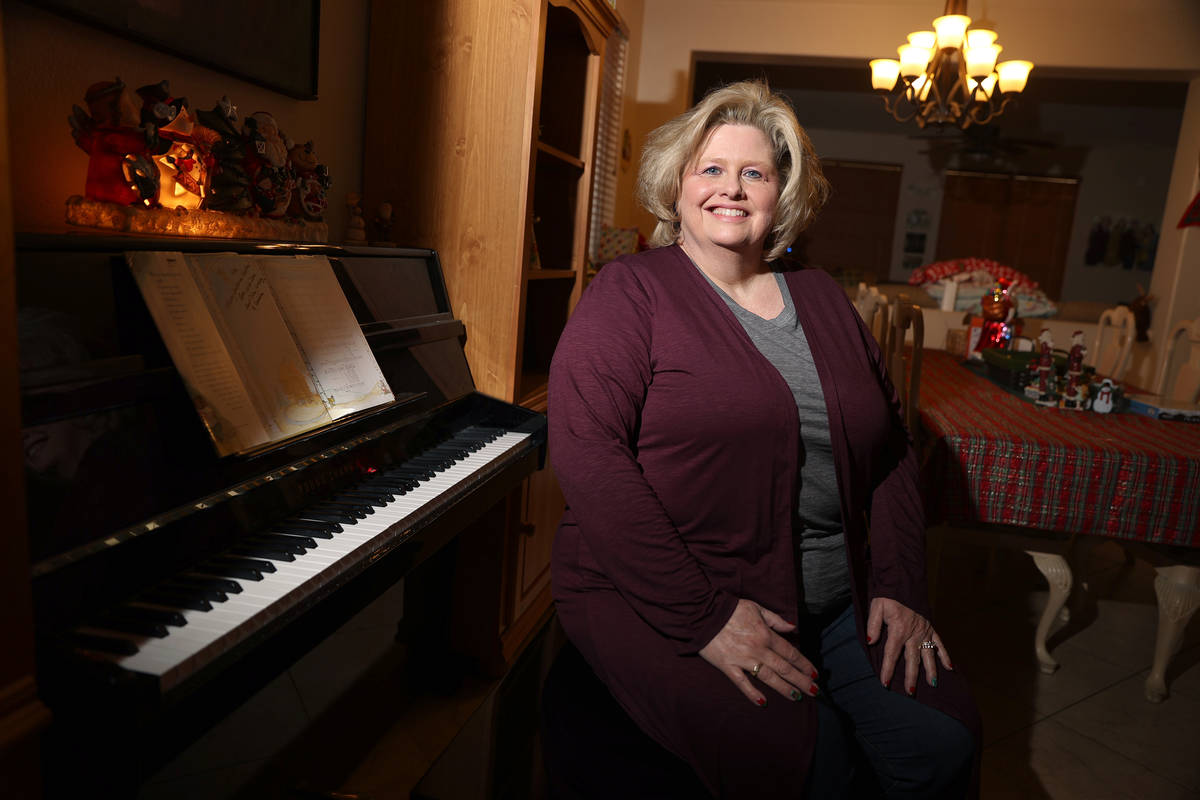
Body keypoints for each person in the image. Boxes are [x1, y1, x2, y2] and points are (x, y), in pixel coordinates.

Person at [548, 80, 979, 798]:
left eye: (755, 173)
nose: (732, 189)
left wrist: (902, 584)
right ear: (676, 185)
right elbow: (590, 458)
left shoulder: (822, 297)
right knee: (805, 761)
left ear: (783, 194)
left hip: (842, 599)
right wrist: (704, 618)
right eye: (710, 169)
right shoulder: (631, 292)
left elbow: (895, 446)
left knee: (943, 740)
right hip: (664, 593)